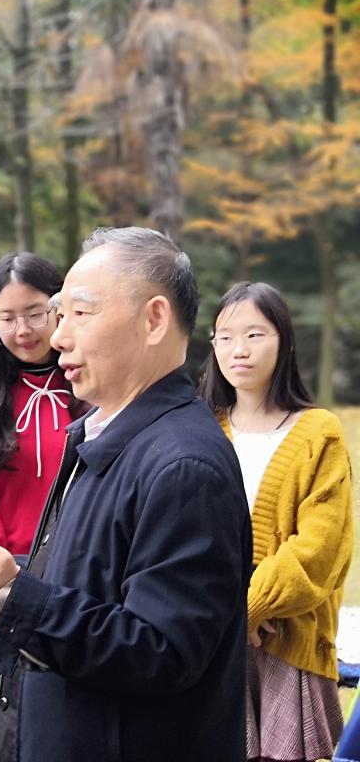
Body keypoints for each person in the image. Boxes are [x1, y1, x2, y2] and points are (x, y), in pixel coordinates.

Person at [0, 227, 253, 762]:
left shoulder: (184, 465)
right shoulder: (104, 434)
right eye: (60, 315)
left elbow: (160, 651)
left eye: (79, 314)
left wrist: (15, 595)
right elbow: (82, 579)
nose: (59, 337)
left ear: (154, 319)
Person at [199, 281, 352, 762]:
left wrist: (247, 610)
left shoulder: (319, 433)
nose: (238, 350)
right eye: (225, 337)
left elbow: (319, 551)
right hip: (207, 641)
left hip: (286, 644)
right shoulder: (200, 429)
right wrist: (223, 619)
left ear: (284, 342)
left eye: (254, 335)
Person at [0, 252, 85, 759]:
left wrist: (60, 569)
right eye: (6, 318)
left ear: (61, 309)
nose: (22, 330)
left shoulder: (91, 387)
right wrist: (12, 574)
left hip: (77, 587)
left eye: (35, 313)